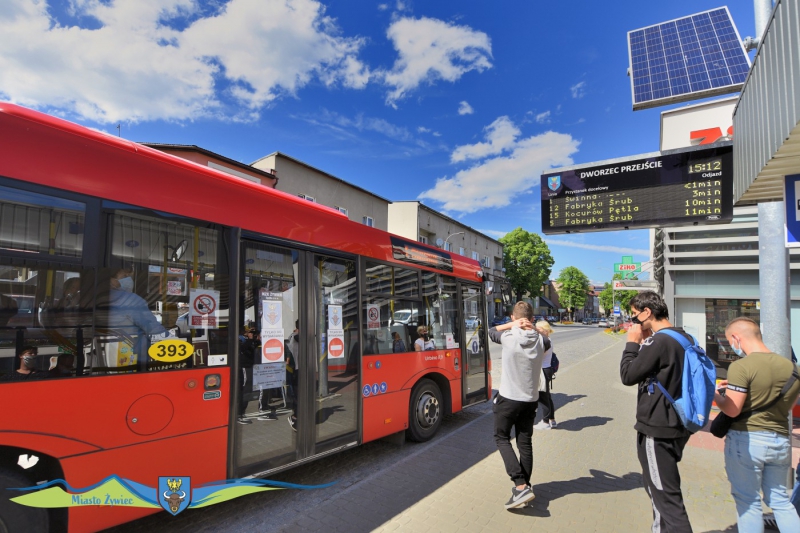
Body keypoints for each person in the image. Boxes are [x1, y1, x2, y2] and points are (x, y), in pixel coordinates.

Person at [713, 317, 800, 533]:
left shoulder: (741, 366)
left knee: (748, 502)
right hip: (780, 440)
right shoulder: (793, 369)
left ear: (736, 338)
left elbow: (732, 409)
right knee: (780, 501)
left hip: (747, 440)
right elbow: (785, 408)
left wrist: (715, 395)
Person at [620, 291, 694, 532]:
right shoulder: (684, 337)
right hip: (677, 422)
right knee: (662, 492)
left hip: (657, 428)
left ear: (647, 312)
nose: (635, 322)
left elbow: (628, 375)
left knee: (664, 498)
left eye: (635, 316)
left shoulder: (659, 341)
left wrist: (632, 343)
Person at [489, 301, 547, 509]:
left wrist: (510, 325)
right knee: (525, 443)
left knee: (501, 437)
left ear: (514, 318)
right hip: (530, 400)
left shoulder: (508, 336)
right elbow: (547, 338)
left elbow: (490, 331)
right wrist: (536, 328)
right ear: (532, 319)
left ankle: (520, 485)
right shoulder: (541, 340)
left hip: (509, 399)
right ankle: (526, 488)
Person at [533, 320, 557, 430]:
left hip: (542, 370)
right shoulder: (548, 340)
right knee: (547, 396)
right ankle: (552, 420)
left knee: (543, 398)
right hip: (546, 369)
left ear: (544, 330)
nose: (536, 330)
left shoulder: (545, 341)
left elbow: (536, 355)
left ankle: (545, 421)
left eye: (538, 329)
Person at [237, 328, 256, 425]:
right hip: (243, 366)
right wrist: (250, 339)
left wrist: (254, 339)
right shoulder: (239, 339)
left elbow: (252, 349)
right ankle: (239, 414)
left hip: (249, 365)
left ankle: (242, 412)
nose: (248, 332)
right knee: (244, 390)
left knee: (247, 390)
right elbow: (243, 348)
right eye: (246, 330)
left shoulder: (246, 339)